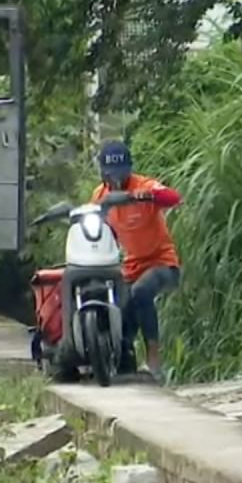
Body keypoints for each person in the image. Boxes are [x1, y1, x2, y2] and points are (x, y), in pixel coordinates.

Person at [90, 140, 182, 382]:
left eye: (121, 174)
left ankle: (154, 356)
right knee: (118, 309)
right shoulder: (100, 196)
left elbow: (173, 197)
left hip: (162, 264)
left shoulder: (143, 186)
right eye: (111, 175)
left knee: (141, 291)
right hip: (130, 268)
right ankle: (121, 361)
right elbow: (92, 220)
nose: (116, 181)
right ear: (102, 174)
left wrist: (147, 196)